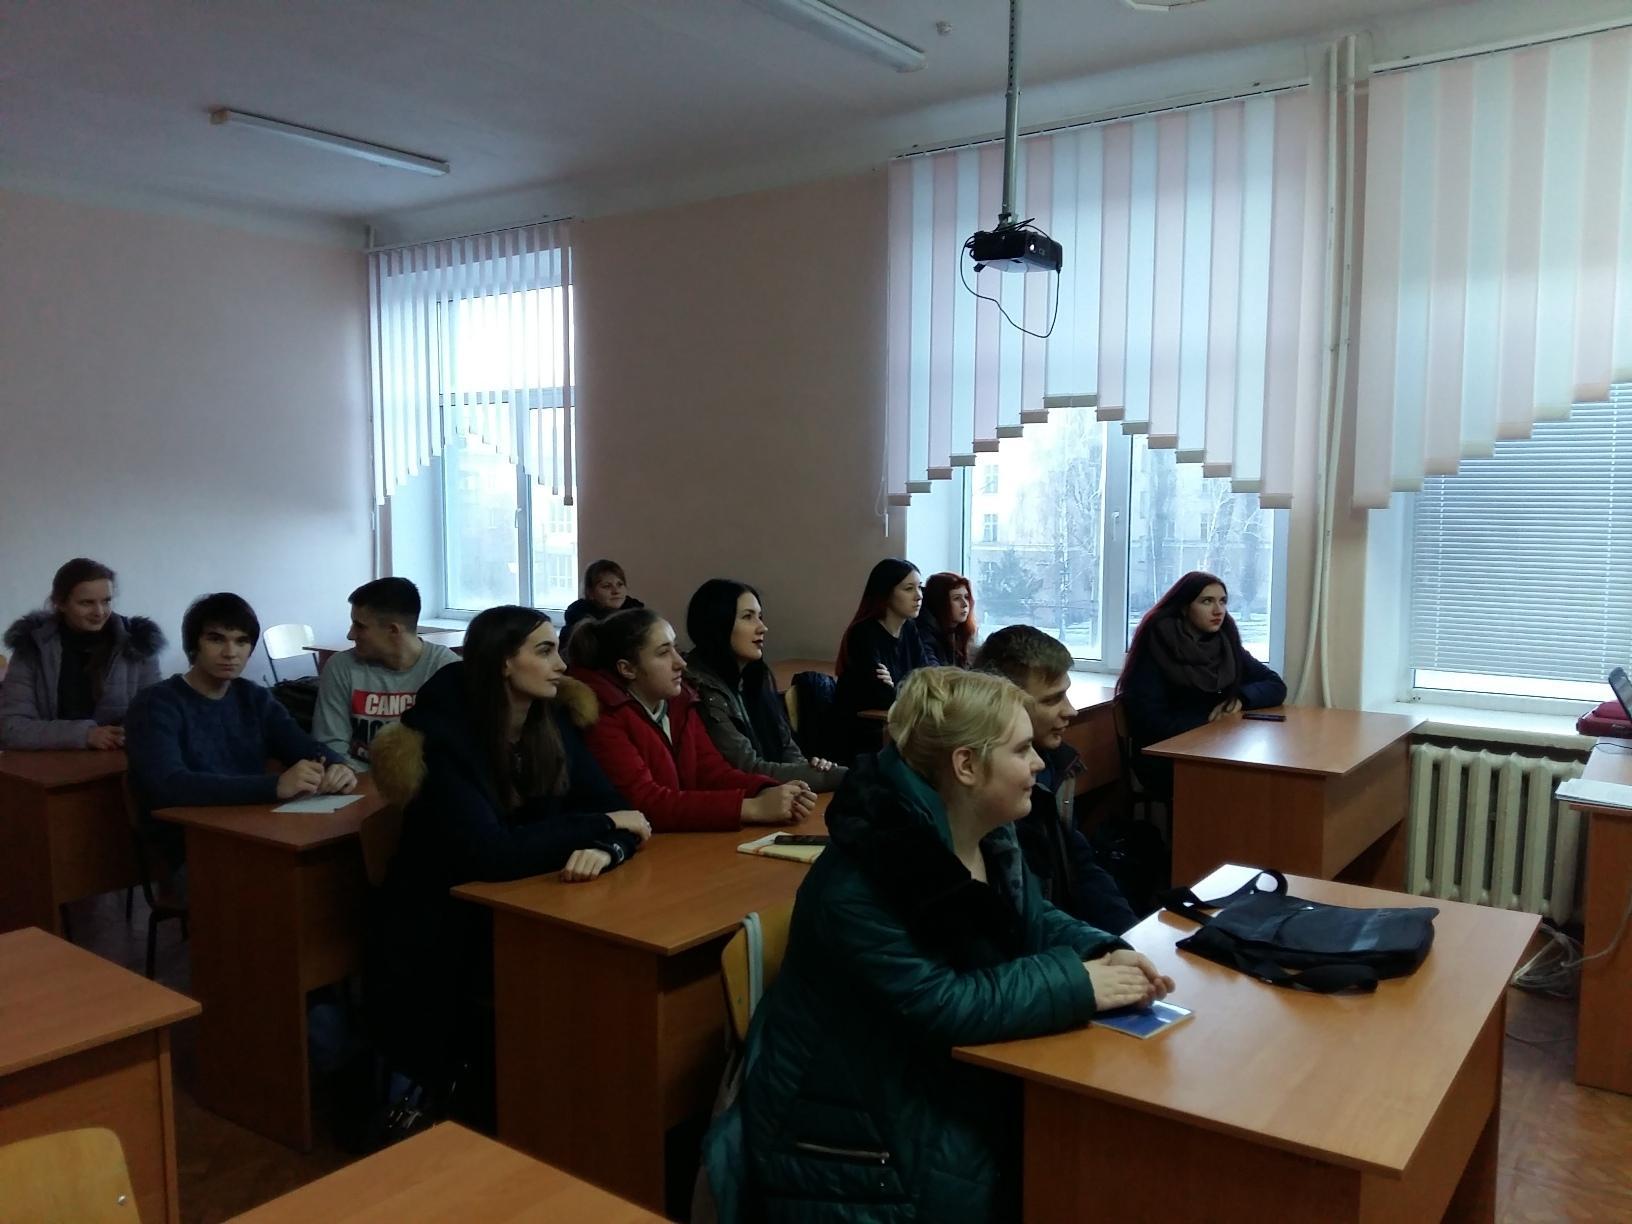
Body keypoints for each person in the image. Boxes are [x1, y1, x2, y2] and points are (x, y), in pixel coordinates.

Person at [703, 668, 1173, 1223]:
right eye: (1021, 749)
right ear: (966, 766)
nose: (1039, 762)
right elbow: (942, 1003)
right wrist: (1078, 983)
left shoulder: (983, 827)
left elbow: (1031, 917)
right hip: (855, 1148)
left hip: (924, 1089)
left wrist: (1100, 951)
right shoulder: (862, 877)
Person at [369, 605, 648, 1096]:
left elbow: (624, 813)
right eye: (545, 651)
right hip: (444, 927)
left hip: (532, 898)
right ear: (502, 661)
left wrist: (609, 848)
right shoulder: (442, 739)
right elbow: (493, 854)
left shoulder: (549, 718)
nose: (561, 664)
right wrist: (600, 826)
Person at [125, 593, 355, 867]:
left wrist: (337, 766)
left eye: (241, 641)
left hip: (254, 829)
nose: (230, 652)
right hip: (189, 844)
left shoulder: (253, 697)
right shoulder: (155, 704)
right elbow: (167, 785)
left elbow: (302, 746)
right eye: (216, 639)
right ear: (194, 645)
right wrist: (274, 786)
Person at [569, 607, 814, 831]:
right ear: (627, 669)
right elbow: (646, 803)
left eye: (676, 648)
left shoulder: (679, 701)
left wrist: (767, 790)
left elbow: (712, 772)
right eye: (664, 653)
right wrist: (752, 808)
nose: (681, 663)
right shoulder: (602, 714)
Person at [975, 625, 1138, 933]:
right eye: (1052, 700)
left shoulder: (1054, 764)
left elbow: (1081, 866)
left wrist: (1131, 936)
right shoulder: (986, 787)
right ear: (1005, 703)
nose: (1071, 711)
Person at [1117, 571, 1287, 797]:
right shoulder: (1155, 646)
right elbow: (1151, 722)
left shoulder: (1224, 642)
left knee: (1267, 781)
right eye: (1207, 601)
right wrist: (1214, 726)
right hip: (1164, 758)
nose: (1218, 610)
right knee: (1246, 786)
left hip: (1215, 748)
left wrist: (1239, 700)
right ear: (1184, 607)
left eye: (1223, 601)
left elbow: (1275, 685)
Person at [683, 578, 846, 793]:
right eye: (748, 617)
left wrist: (811, 769)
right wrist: (838, 777)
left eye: (760, 617)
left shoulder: (756, 676)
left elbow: (787, 749)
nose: (762, 627)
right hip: (745, 799)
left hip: (775, 795)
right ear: (717, 624)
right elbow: (749, 768)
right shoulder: (701, 689)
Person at [1, 557, 165, 750]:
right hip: (50, 763)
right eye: (86, 603)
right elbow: (12, 728)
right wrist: (84, 735)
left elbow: (157, 716)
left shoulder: (138, 643)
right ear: (60, 603)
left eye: (106, 601)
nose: (99, 612)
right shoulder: (32, 646)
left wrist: (129, 733)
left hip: (120, 760)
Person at [312, 577, 459, 769]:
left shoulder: (446, 669)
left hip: (424, 782)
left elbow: (454, 752)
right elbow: (331, 746)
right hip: (355, 780)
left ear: (393, 630)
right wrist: (348, 775)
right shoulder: (341, 667)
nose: (350, 635)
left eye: (360, 626)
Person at [833, 559, 929, 755]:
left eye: (920, 587)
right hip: (863, 734)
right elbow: (883, 697)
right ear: (886, 593)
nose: (919, 596)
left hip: (898, 724)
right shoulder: (864, 633)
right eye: (909, 589)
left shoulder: (909, 628)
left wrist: (896, 686)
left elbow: (927, 681)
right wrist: (905, 688)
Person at [559, 559, 644, 655]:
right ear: (590, 592)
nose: (616, 591)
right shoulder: (576, 623)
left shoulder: (638, 617)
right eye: (607, 586)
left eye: (620, 584)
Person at [918, 571, 977, 668]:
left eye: (966, 597)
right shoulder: (924, 634)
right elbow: (933, 673)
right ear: (940, 603)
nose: (965, 604)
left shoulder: (963, 633)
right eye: (956, 598)